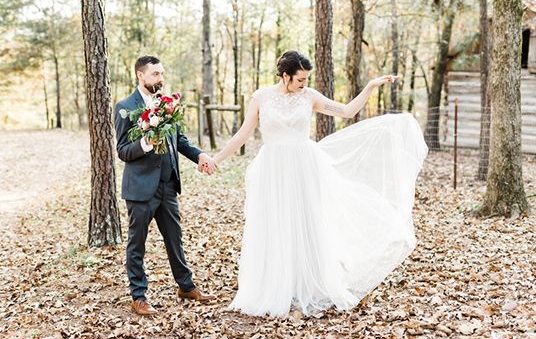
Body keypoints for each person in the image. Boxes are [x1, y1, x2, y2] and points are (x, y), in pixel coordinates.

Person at [212, 50, 428, 317]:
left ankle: (307, 284)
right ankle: (276, 284)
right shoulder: (261, 98)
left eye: (306, 79)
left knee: (305, 221)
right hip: (273, 170)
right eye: (300, 79)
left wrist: (371, 86)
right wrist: (217, 159)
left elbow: (347, 111)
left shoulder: (310, 97)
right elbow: (243, 134)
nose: (304, 83)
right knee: (275, 222)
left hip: (303, 167)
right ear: (285, 75)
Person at [114, 55, 217, 316]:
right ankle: (139, 296)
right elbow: (123, 150)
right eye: (156, 74)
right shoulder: (125, 106)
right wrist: (146, 143)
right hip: (139, 189)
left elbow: (179, 140)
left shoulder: (167, 104)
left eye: (162, 73)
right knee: (137, 244)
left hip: (168, 185)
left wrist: (200, 155)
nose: (161, 78)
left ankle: (186, 286)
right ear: (141, 75)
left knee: (175, 239)